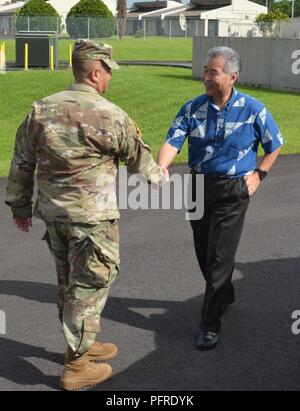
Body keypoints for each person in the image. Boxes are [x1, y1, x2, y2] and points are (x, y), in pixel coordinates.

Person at [5, 39, 167, 390]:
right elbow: (139, 160)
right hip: (93, 219)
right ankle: (76, 366)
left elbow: (21, 163)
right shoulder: (110, 114)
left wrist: (19, 208)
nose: (110, 78)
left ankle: (83, 343)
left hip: (55, 216)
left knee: (69, 283)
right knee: (91, 284)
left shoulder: (40, 110)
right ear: (96, 72)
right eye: (108, 71)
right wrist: (160, 178)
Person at [158, 46, 283, 351]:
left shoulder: (253, 109)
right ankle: (224, 292)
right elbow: (173, 140)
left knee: (219, 256)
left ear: (232, 76)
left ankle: (210, 324)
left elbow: (274, 144)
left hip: (233, 190)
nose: (205, 77)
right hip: (199, 186)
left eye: (212, 72)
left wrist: (259, 175)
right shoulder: (192, 108)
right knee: (203, 251)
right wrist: (161, 167)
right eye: (205, 70)